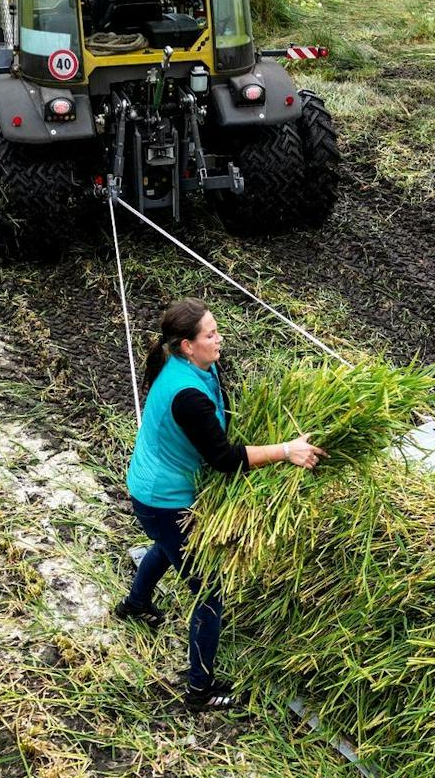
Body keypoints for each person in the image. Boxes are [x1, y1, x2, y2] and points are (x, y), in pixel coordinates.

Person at [118, 299, 326, 711]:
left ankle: (136, 605)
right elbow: (226, 461)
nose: (219, 339)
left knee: (166, 545)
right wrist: (285, 450)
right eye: (210, 334)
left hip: (159, 486)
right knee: (208, 592)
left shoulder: (197, 366)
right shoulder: (186, 394)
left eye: (217, 330)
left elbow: (221, 420)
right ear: (186, 346)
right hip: (162, 498)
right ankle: (200, 689)